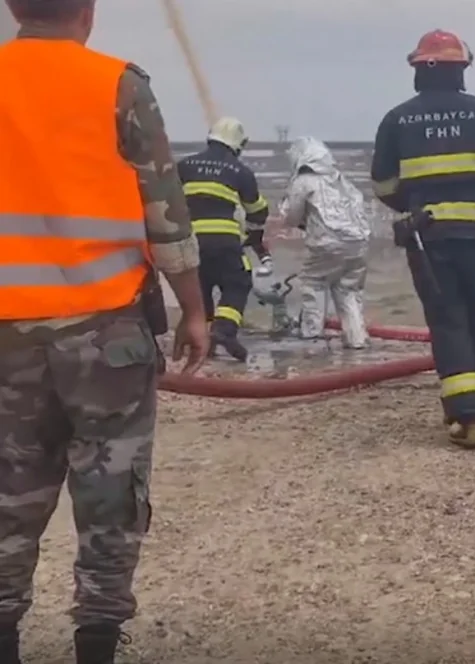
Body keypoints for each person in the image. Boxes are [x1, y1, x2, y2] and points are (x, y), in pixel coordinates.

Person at [0, 0, 210, 661]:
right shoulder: (119, 84)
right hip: (106, 334)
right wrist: (194, 309)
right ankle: (96, 640)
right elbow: (165, 212)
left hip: (6, 337)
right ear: (87, 11)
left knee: (8, 497)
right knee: (111, 496)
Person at [370, 29, 475, 449]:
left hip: (429, 236)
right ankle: (465, 400)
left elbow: (383, 185)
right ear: (460, 70)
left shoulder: (397, 119)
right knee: (474, 316)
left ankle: (466, 413)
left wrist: (412, 202)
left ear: (420, 70)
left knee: (446, 318)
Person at [177, 116, 271, 362]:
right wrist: (255, 236)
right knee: (237, 283)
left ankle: (203, 340)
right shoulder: (241, 171)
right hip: (225, 241)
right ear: (238, 144)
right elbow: (258, 210)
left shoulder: (185, 165)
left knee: (200, 287)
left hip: (191, 241)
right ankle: (224, 330)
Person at [279, 136, 372, 349]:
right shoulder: (342, 181)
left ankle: (312, 336)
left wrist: (296, 220)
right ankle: (357, 339)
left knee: (313, 282)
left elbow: (292, 216)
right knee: (348, 290)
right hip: (359, 243)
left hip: (327, 241)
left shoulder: (304, 181)